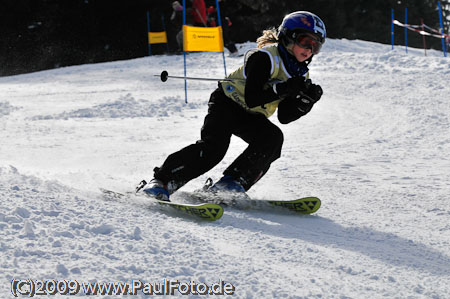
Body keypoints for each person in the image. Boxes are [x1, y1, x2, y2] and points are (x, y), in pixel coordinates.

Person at [143, 11, 327, 201]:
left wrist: (305, 101)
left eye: (316, 46)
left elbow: (285, 117)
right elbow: (252, 98)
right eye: (306, 41)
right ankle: (162, 181)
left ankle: (230, 184)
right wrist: (285, 88)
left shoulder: (300, 74)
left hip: (251, 116)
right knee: (213, 150)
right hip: (227, 103)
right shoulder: (265, 58)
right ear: (289, 36)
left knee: (272, 139)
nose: (309, 50)